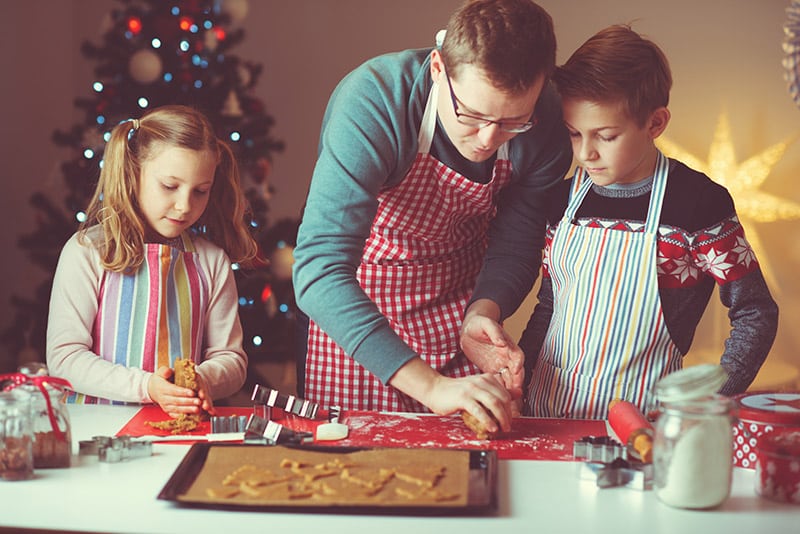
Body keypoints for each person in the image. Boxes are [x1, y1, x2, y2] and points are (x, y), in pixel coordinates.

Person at [292, 0, 571, 434]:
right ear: (439, 67)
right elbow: (319, 271)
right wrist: (432, 388)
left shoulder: (548, 121)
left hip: (457, 309)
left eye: (513, 122)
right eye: (472, 115)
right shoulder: (375, 99)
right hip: (359, 314)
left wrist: (484, 311)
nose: (487, 139)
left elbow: (517, 241)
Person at [519, 25, 779, 419]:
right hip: (547, 414)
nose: (586, 153)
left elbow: (755, 312)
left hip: (647, 427)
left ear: (655, 124)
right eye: (574, 134)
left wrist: (708, 400)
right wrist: (518, 379)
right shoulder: (562, 199)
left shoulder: (697, 206)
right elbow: (551, 306)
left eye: (605, 136)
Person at [46, 105, 257, 417]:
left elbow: (232, 359)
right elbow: (65, 358)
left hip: (181, 431)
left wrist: (205, 379)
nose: (185, 206)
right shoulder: (87, 252)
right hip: (95, 430)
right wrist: (146, 387)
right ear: (134, 174)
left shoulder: (211, 261)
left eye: (201, 191)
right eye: (169, 186)